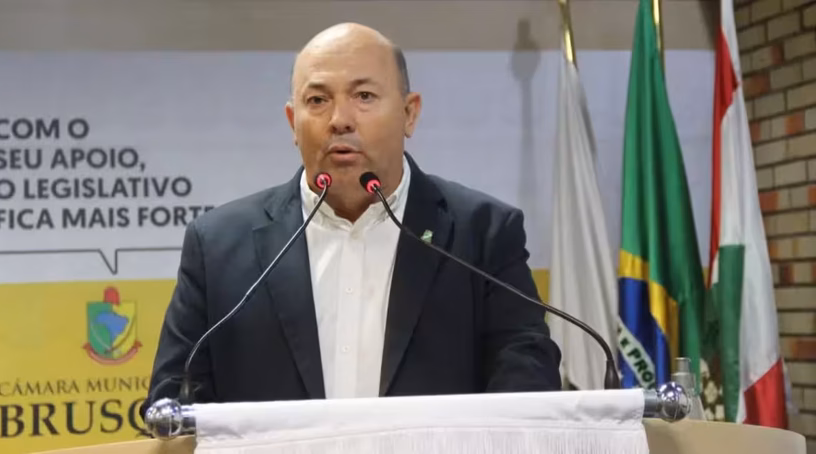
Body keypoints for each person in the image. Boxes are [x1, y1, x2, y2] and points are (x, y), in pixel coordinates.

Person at [142, 22, 561, 415]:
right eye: (317, 100)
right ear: (292, 121)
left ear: (409, 113)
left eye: (364, 96)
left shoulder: (483, 234)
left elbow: (526, 383)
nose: (340, 120)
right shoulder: (217, 247)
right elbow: (173, 402)